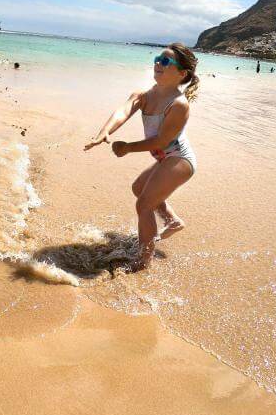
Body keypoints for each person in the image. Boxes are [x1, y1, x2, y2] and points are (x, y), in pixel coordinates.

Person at [84, 43, 199, 271]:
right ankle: (173, 221)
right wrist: (104, 133)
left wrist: (128, 147)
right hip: (165, 158)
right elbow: (123, 111)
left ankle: (143, 260)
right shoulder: (144, 95)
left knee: (144, 203)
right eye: (157, 58)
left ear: (181, 74)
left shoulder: (179, 105)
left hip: (179, 159)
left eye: (166, 61)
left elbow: (161, 142)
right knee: (139, 188)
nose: (158, 63)